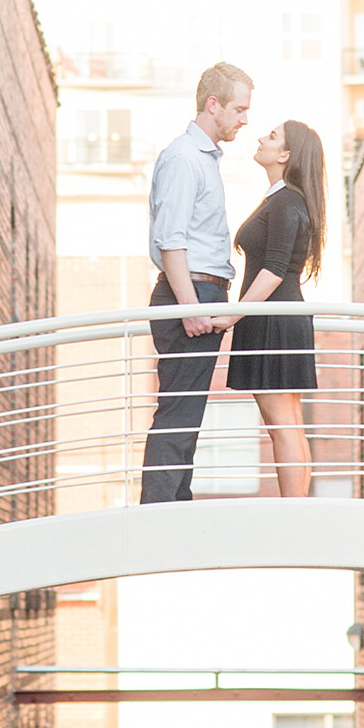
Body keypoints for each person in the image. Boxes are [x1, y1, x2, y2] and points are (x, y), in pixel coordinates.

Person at [140, 60, 254, 504]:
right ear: (213, 104)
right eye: (239, 109)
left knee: (188, 412)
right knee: (179, 411)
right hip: (189, 295)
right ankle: (160, 512)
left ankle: (175, 505)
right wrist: (191, 308)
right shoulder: (185, 158)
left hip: (199, 294)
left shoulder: (203, 159)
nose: (245, 119)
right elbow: (171, 240)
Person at [225, 119, 326, 499]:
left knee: (282, 423)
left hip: (274, 319)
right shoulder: (284, 199)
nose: (261, 138)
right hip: (276, 317)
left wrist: (229, 317)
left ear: (285, 154)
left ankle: (293, 515)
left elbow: (272, 272)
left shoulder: (286, 201)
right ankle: (296, 514)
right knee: (287, 423)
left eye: (271, 137)